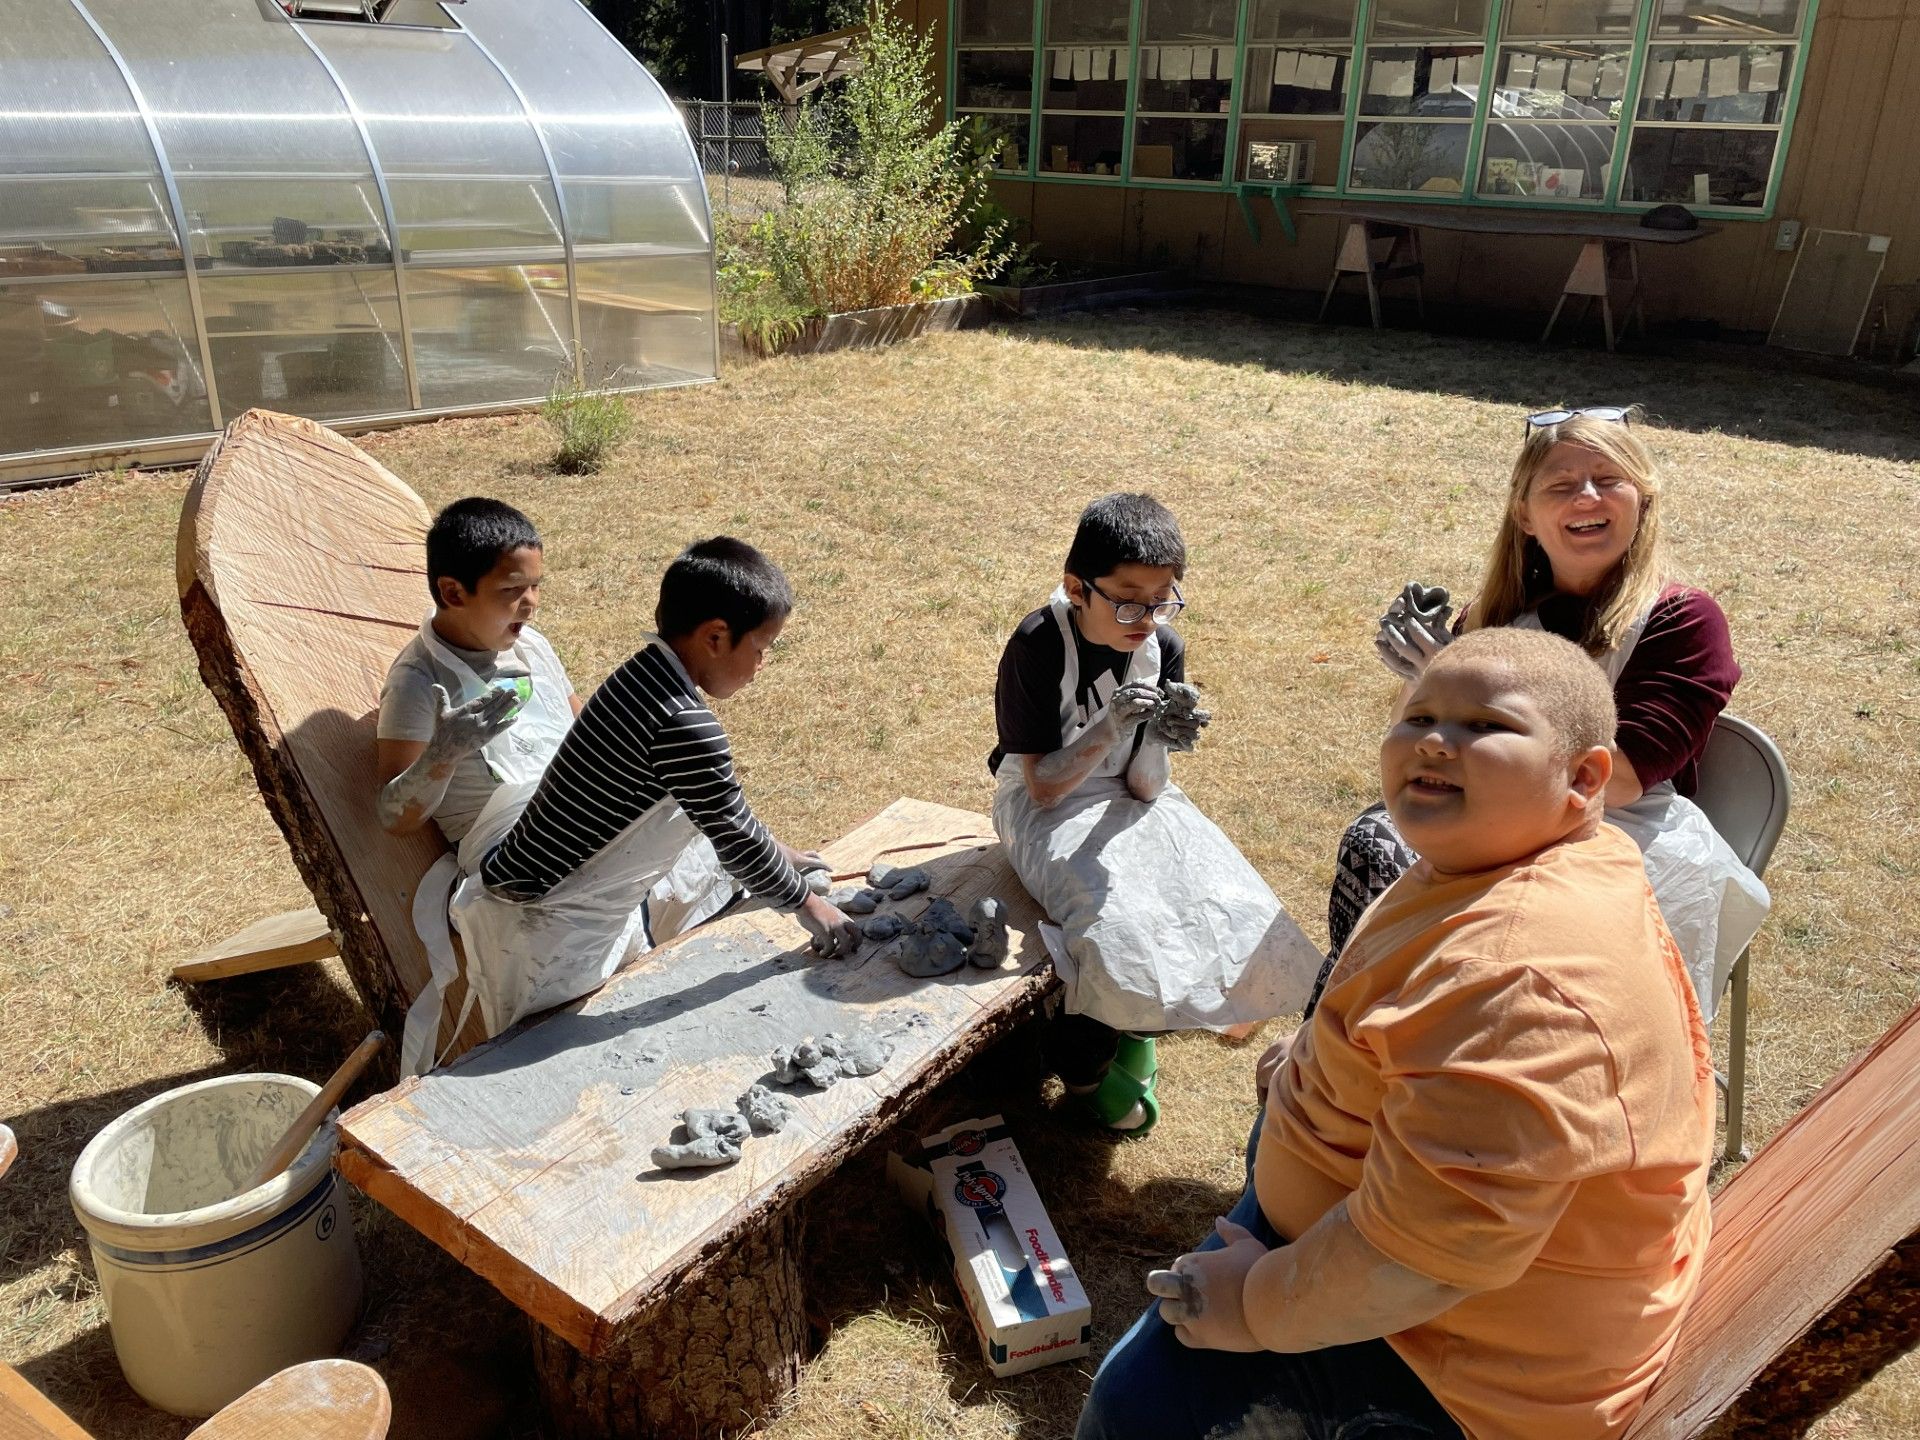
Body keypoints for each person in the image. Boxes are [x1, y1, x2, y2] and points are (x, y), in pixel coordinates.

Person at [1077, 627, 1716, 1440]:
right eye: (1417, 716)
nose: (1437, 741)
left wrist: (1255, 1303)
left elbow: (1422, 1258)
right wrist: (1315, 1064)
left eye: (1486, 727)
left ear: (1583, 778)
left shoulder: (1518, 981)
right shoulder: (1514, 857)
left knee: (1135, 1412)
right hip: (1412, 1269)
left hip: (1452, 1363)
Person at [1325, 406, 1767, 1019]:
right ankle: (1359, 1060)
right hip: (1491, 814)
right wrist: (1422, 680)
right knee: (1376, 844)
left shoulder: (1681, 620)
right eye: (1561, 485)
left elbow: (1620, 779)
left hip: (1609, 838)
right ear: (1525, 514)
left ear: (1642, 498)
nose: (1586, 495)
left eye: (1608, 479)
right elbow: (1421, 755)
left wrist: (1460, 684)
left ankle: (1408, 1062)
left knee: (1405, 877)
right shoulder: (1500, 612)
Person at [399, 537, 861, 1073]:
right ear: (716, 636)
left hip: (538, 891)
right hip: (541, 923)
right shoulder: (685, 725)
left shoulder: (642, 674)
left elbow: (715, 807)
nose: (761, 665)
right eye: (761, 648)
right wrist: (811, 907)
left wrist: (780, 853)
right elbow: (731, 833)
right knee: (552, 1067)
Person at [990, 493, 1319, 1134]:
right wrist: (1112, 724)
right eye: (1129, 598)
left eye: (1163, 597)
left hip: (1124, 789)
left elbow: (1144, 789)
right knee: (1117, 924)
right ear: (1077, 588)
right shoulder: (1039, 645)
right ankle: (1083, 1067)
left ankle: (1141, 1021)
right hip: (1045, 802)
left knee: (1231, 897)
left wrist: (1161, 742)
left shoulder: (1162, 646)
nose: (1146, 616)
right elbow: (1043, 788)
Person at [376, 497, 578, 845]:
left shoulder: (532, 647)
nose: (531, 604)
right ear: (453, 592)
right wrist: (443, 754)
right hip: (510, 853)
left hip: (579, 818)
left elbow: (580, 728)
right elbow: (394, 818)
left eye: (535, 585)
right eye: (512, 590)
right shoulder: (417, 682)